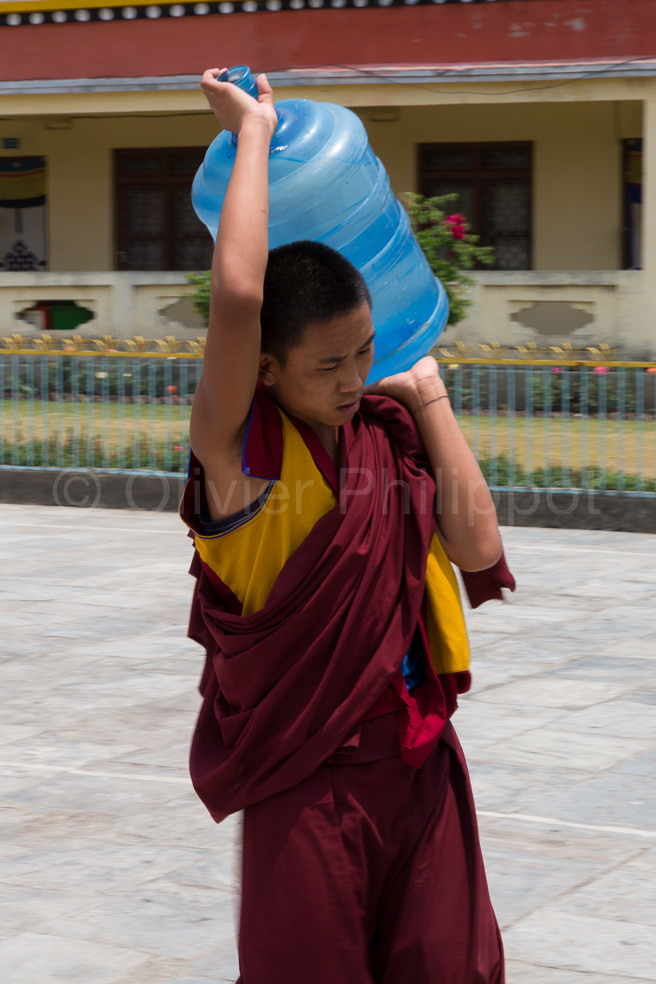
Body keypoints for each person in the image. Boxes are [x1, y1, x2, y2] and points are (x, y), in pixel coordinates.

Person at [180, 68, 515, 984]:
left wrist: (424, 388)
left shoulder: (390, 433)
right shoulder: (243, 463)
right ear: (267, 372)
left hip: (421, 761)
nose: (353, 376)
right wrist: (253, 135)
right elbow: (242, 298)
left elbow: (481, 552)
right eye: (330, 363)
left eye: (364, 351)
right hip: (311, 783)